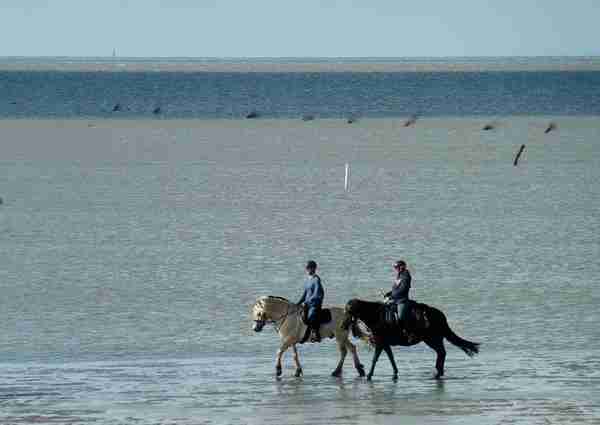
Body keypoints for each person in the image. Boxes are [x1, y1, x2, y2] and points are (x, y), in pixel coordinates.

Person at [297, 260, 324, 342]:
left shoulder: (316, 279)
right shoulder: (308, 280)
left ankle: (316, 334)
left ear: (314, 269)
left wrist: (307, 302)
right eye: (307, 268)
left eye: (309, 268)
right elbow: (305, 294)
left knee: (310, 316)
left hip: (314, 304)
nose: (307, 270)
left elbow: (317, 294)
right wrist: (297, 303)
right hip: (307, 304)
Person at [384, 260, 412, 329]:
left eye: (396, 267)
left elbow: (403, 289)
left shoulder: (406, 276)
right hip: (395, 299)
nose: (395, 269)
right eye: (395, 267)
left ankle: (405, 332)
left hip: (402, 301)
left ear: (402, 267)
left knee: (400, 317)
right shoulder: (399, 276)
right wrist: (389, 293)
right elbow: (396, 288)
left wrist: (391, 296)